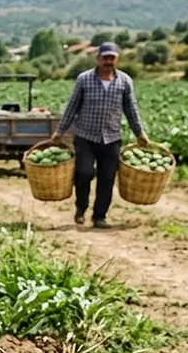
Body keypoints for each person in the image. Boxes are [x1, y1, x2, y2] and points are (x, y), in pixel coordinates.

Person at [49, 42, 150, 228]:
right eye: (105, 58)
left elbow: (131, 109)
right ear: (98, 59)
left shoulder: (125, 81)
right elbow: (72, 107)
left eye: (112, 58)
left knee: (107, 177)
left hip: (111, 138)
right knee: (85, 172)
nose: (108, 62)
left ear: (117, 59)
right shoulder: (84, 79)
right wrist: (59, 132)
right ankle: (81, 208)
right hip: (86, 136)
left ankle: (100, 216)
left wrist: (140, 133)